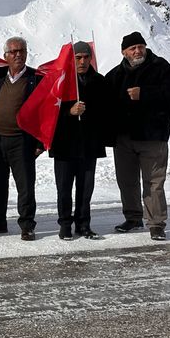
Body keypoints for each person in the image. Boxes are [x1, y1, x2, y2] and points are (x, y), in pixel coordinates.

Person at [105, 31, 170, 241]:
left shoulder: (162, 68)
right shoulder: (115, 76)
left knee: (154, 183)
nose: (137, 51)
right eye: (132, 48)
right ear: (124, 52)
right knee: (127, 181)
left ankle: (156, 223)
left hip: (153, 137)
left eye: (140, 46)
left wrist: (145, 93)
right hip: (124, 139)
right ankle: (133, 218)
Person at [0, 37, 42, 241]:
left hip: (22, 141)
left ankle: (27, 225)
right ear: (6, 56)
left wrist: (40, 143)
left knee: (25, 186)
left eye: (22, 51)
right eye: (13, 52)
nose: (18, 54)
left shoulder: (36, 79)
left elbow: (45, 112)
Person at [49, 42, 107, 240]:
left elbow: (107, 111)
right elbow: (49, 113)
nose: (82, 61)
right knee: (64, 188)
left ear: (91, 58)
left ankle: (83, 224)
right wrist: (69, 111)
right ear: (71, 59)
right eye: (78, 57)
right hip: (64, 145)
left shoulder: (99, 81)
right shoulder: (61, 81)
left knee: (85, 188)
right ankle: (65, 224)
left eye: (85, 57)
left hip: (89, 145)